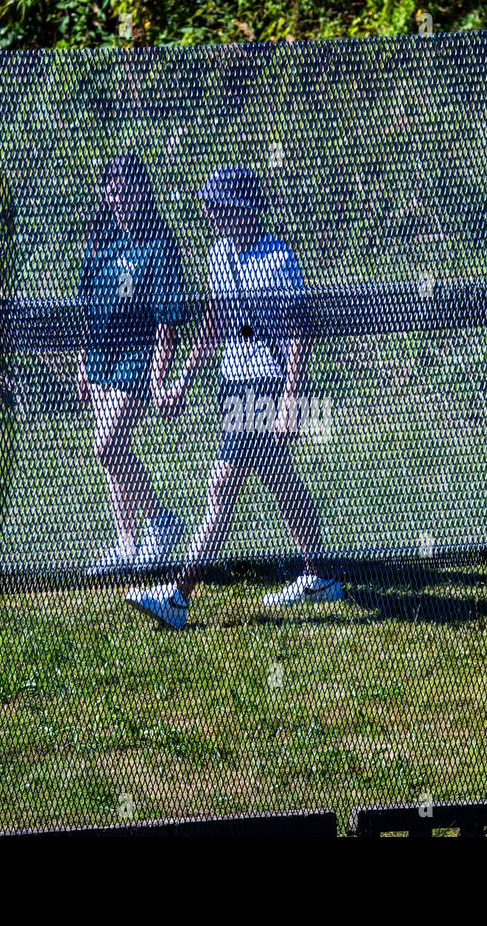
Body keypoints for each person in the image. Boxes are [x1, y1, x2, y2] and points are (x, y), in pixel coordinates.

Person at [124, 166, 341, 629]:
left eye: (219, 209)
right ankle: (321, 575)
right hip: (232, 383)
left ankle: (179, 595)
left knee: (222, 486)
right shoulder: (219, 254)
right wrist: (183, 379)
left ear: (242, 210)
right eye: (210, 210)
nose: (212, 217)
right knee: (281, 480)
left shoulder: (278, 257)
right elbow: (214, 325)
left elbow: (295, 332)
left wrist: (289, 398)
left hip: (264, 383)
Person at [77, 153, 187, 576]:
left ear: (144, 191)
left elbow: (167, 325)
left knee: (106, 446)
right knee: (113, 457)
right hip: (100, 358)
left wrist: (159, 379)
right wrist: (84, 365)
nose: (120, 196)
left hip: (136, 359)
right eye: (113, 188)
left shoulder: (159, 246)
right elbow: (89, 307)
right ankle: (127, 545)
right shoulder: (101, 241)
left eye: (129, 188)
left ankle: (162, 521)